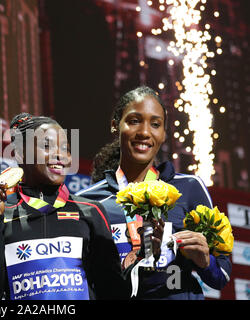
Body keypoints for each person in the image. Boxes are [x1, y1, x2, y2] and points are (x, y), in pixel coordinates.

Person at [0, 113, 163, 300]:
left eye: (65, 148)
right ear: (20, 153)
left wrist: (144, 257)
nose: (60, 154)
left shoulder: (91, 211)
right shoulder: (2, 214)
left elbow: (112, 291)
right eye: (47, 145)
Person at [76, 86, 232, 299]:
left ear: (163, 133)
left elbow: (221, 276)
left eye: (155, 124)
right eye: (134, 121)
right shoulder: (88, 201)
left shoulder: (189, 188)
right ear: (115, 125)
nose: (145, 132)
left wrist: (205, 261)